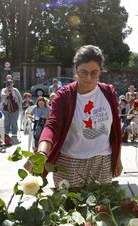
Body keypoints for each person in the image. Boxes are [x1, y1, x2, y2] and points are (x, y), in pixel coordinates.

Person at [26, 45, 123, 188]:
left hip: (103, 162)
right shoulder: (64, 96)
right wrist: (41, 153)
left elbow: (115, 129)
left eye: (94, 73)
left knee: (101, 208)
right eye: (83, 72)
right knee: (69, 207)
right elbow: (52, 125)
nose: (89, 78)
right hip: (69, 163)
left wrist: (117, 159)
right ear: (76, 69)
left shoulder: (108, 92)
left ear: (101, 71)